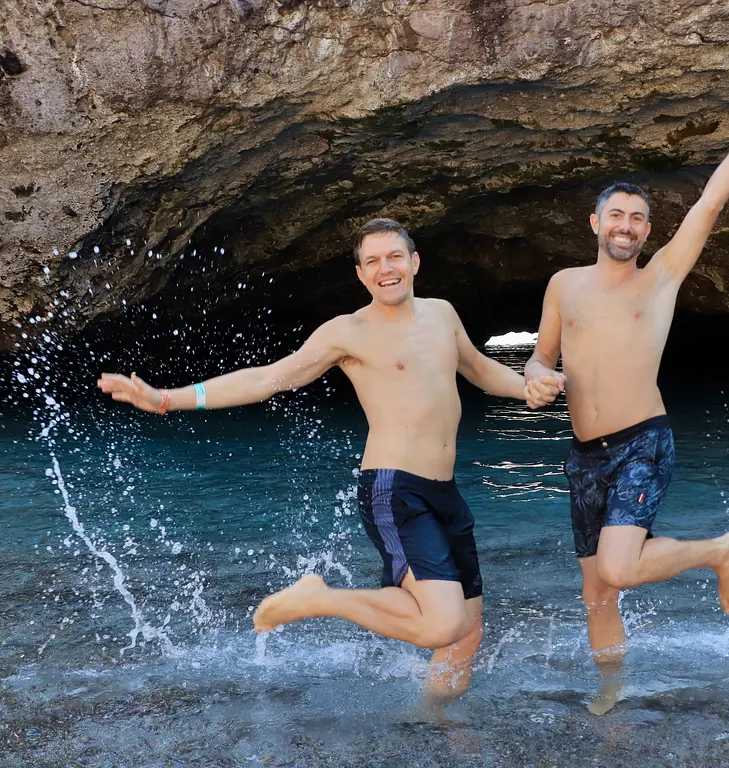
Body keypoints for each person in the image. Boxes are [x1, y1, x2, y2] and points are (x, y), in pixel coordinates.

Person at [98, 218, 564, 704]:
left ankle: (433, 722)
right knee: (442, 624)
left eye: (394, 257)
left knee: (468, 630)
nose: (386, 269)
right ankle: (319, 598)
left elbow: (479, 368)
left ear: (414, 262)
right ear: (361, 274)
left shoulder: (442, 314)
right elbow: (268, 379)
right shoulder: (348, 332)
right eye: (373, 262)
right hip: (395, 489)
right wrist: (169, 399)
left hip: (445, 491)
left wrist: (529, 386)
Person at [524, 81, 729, 715]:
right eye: (617, 216)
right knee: (596, 591)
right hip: (582, 455)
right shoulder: (563, 286)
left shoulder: (660, 279)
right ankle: (612, 691)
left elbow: (708, 207)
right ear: (596, 223)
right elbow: (542, 359)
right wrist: (536, 379)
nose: (626, 226)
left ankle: (720, 550)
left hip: (641, 442)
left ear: (646, 229)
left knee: (621, 568)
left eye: (637, 218)